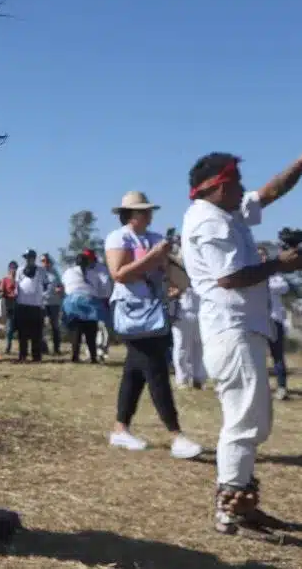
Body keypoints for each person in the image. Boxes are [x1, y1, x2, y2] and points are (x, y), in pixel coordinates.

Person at [181, 146, 302, 540]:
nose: (244, 189)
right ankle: (232, 510)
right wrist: (279, 265)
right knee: (243, 421)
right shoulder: (211, 223)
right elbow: (230, 277)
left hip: (239, 328)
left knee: (251, 418)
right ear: (217, 186)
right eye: (236, 182)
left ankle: (243, 503)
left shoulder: (225, 213)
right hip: (231, 328)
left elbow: (270, 192)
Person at [104, 192, 202, 460]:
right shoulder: (119, 238)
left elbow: (168, 272)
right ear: (131, 215)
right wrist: (152, 257)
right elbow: (119, 274)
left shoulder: (156, 238)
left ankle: (121, 428)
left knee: (135, 371)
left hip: (154, 310)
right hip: (133, 312)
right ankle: (175, 434)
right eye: (143, 211)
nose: (149, 215)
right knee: (155, 368)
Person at [61, 250, 106, 363]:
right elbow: (101, 290)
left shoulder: (68, 272)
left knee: (76, 331)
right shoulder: (94, 274)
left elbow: (65, 286)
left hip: (72, 303)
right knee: (91, 331)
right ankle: (93, 357)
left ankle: (75, 356)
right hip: (90, 302)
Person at [260, 245, 291, 401]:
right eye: (258, 256)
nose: (262, 258)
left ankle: (282, 387)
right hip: (257, 320)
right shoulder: (251, 275)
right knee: (257, 356)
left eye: (263, 255)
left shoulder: (275, 275)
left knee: (277, 355)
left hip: (274, 318)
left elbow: (284, 287)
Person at [14, 249, 49, 362]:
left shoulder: (41, 270)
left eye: (29, 257)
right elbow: (17, 285)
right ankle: (23, 355)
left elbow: (45, 285)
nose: (28, 259)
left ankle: (36, 356)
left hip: (36, 305)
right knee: (22, 333)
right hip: (22, 304)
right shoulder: (20, 270)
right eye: (26, 257)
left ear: (34, 258)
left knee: (36, 333)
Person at [171, 286, 205, 389]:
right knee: (181, 346)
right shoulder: (176, 272)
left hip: (201, 310)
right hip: (182, 311)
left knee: (199, 347)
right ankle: (182, 378)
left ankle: (198, 378)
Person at [40, 253, 64, 356]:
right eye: (43, 261)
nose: (45, 263)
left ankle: (56, 348)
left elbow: (60, 285)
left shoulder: (55, 273)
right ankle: (43, 347)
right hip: (42, 303)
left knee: (55, 326)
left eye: (47, 261)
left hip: (54, 303)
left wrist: (59, 289)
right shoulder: (39, 273)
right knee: (41, 326)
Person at [0, 260, 19, 354]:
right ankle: (8, 347)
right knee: (9, 328)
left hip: (19, 306)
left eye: (15, 268)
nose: (14, 270)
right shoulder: (5, 280)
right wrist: (5, 293)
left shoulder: (19, 280)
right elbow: (0, 292)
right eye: (12, 268)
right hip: (9, 306)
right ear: (9, 269)